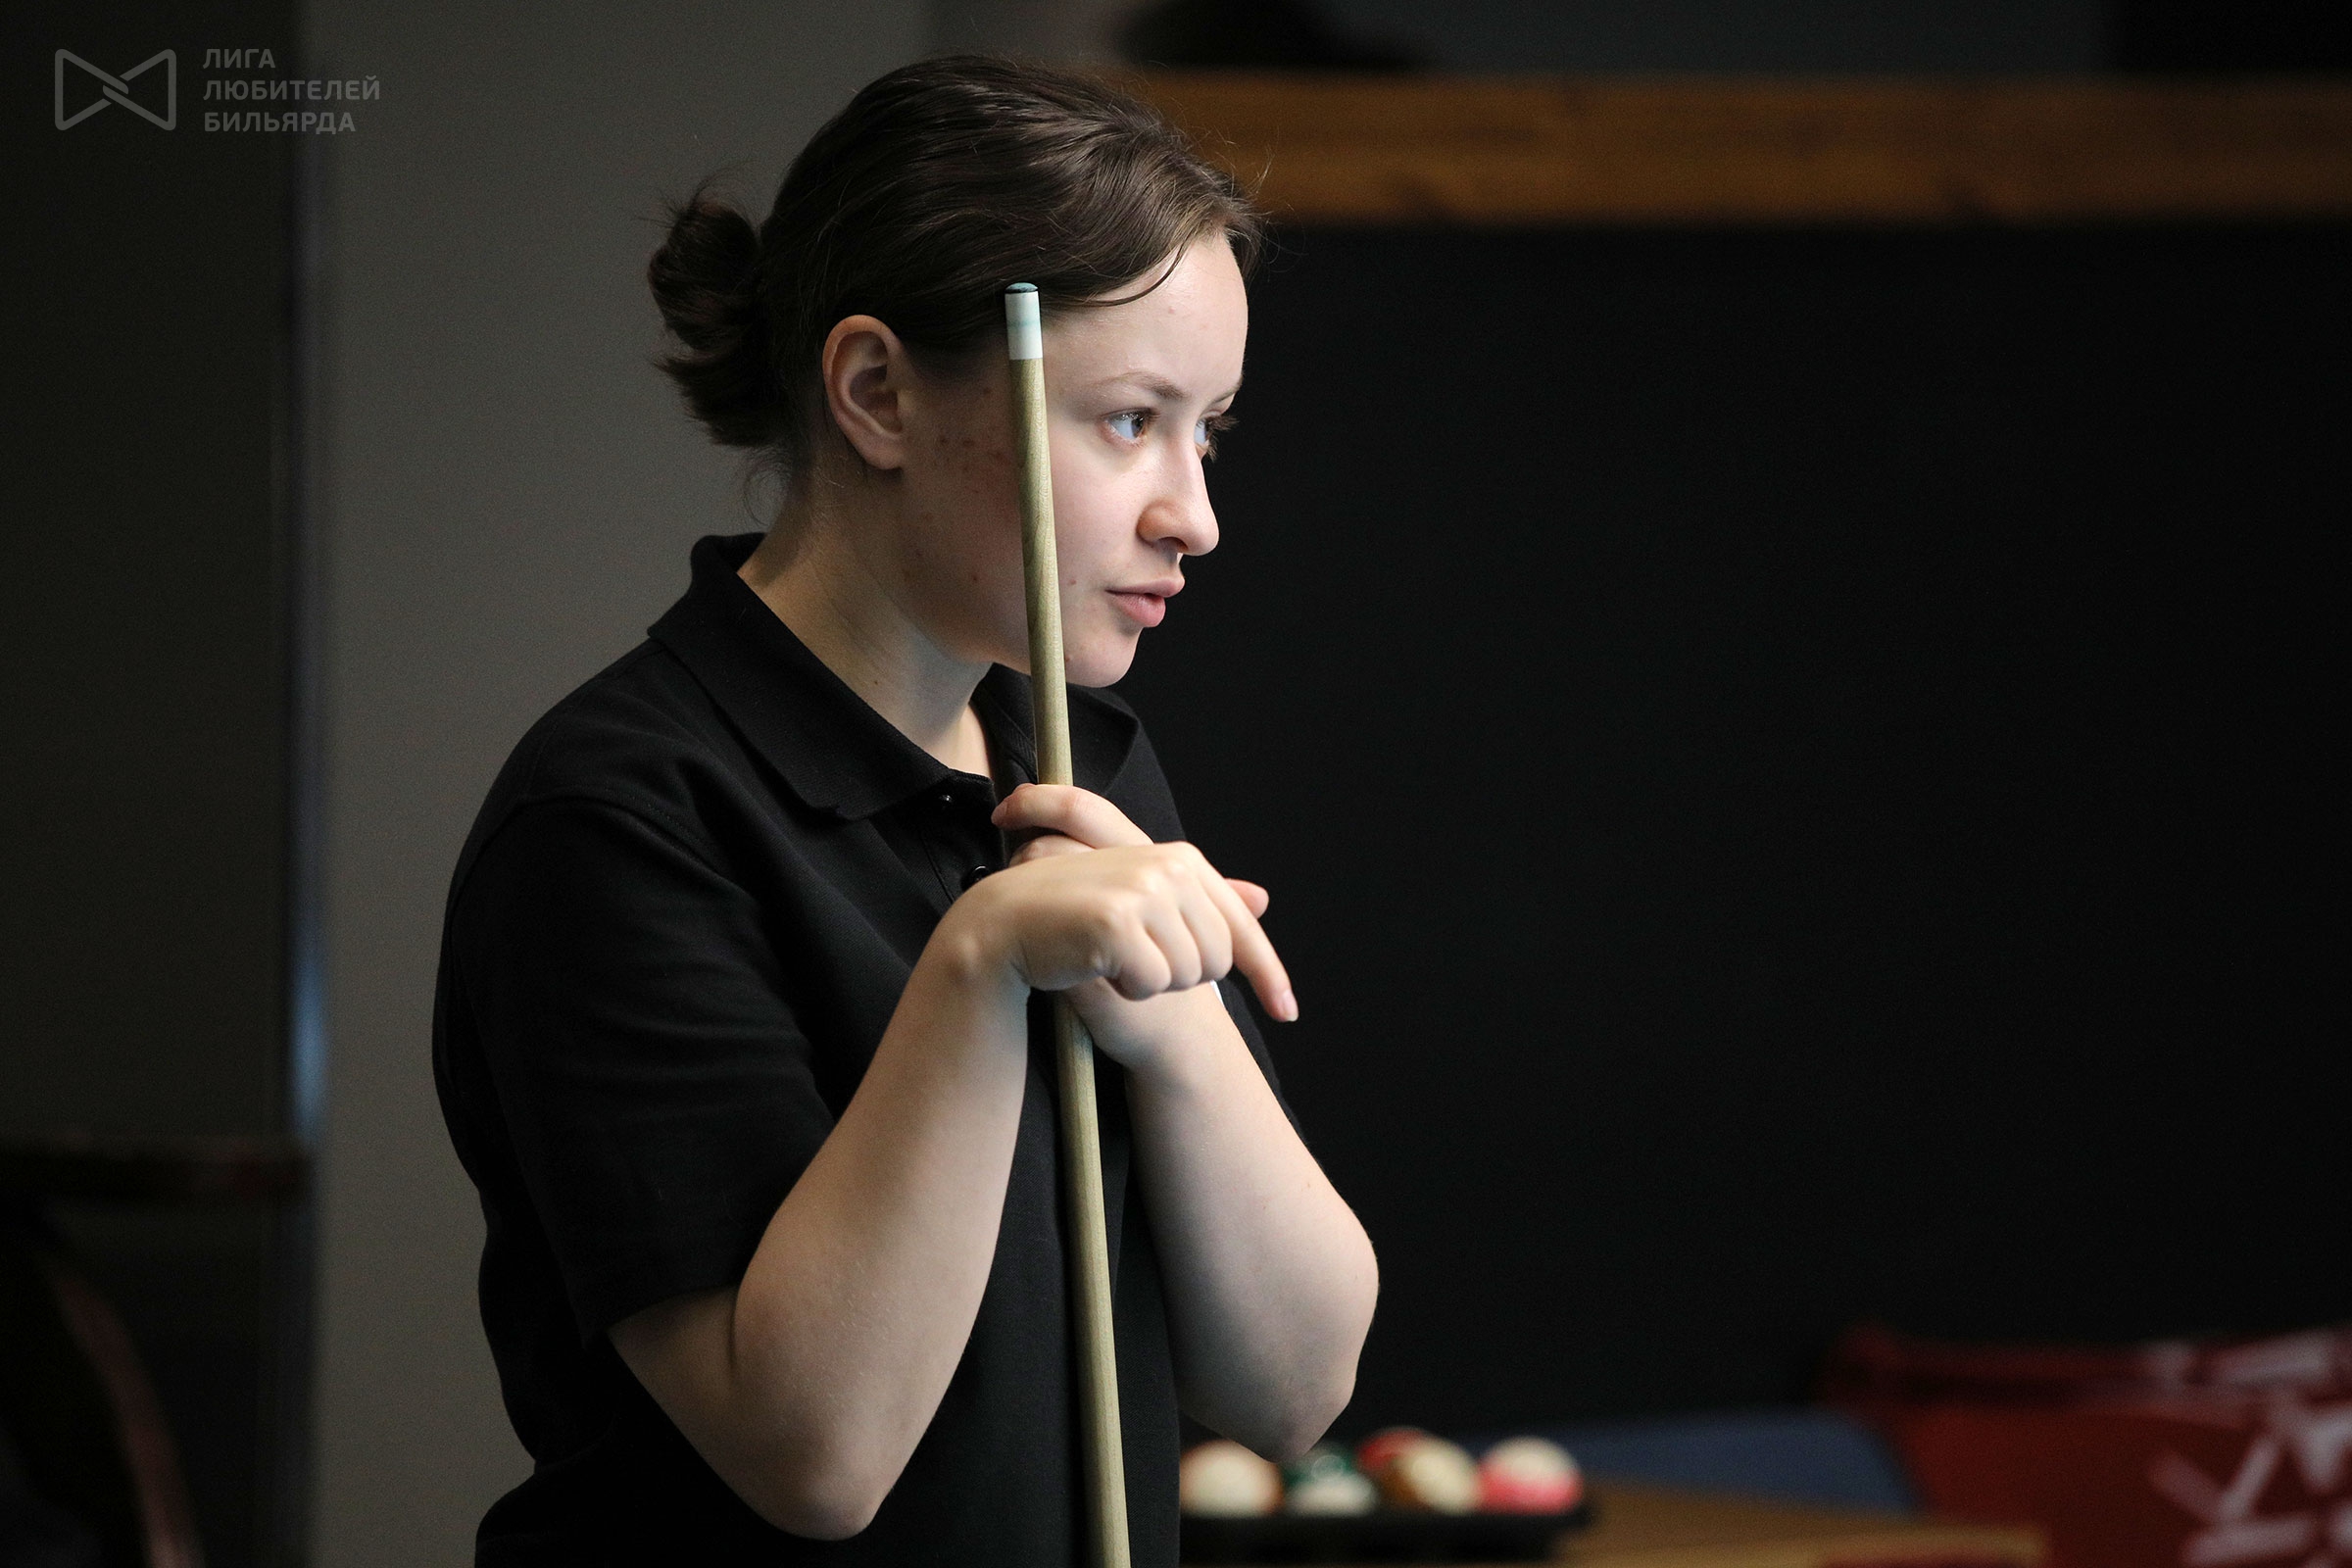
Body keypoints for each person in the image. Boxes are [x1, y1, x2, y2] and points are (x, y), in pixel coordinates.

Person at [431, 55, 1379, 1566]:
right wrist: (979, 965)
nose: (1194, 515)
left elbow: (1295, 1387)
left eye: (1208, 429)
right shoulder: (620, 819)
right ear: (877, 393)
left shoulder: (1081, 768)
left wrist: (1178, 1034)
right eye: (1127, 420)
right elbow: (815, 1456)